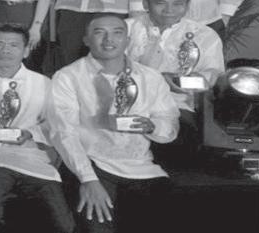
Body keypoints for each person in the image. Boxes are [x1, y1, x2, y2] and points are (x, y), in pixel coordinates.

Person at [50, 14, 179, 233]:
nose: (108, 39)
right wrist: (88, 180)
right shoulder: (68, 77)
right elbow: (63, 133)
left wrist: (151, 126)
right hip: (92, 164)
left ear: (127, 40)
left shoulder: (150, 77)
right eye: (99, 32)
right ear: (86, 40)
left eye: (117, 33)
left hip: (142, 167)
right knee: (96, 226)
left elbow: (170, 126)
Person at [0, 23, 74, 233]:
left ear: (26, 51)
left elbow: (56, 123)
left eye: (14, 45)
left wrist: (30, 133)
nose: (5, 50)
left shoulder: (44, 83)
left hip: (32, 159)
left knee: (63, 224)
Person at [125, 0, 223, 165]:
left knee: (174, 150)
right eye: (160, 3)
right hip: (128, 103)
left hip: (177, 106)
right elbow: (105, 72)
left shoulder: (205, 36)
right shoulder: (124, 29)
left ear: (188, 5)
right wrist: (158, 79)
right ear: (145, 4)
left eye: (178, 4)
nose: (169, 10)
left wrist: (177, 82)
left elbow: (208, 82)